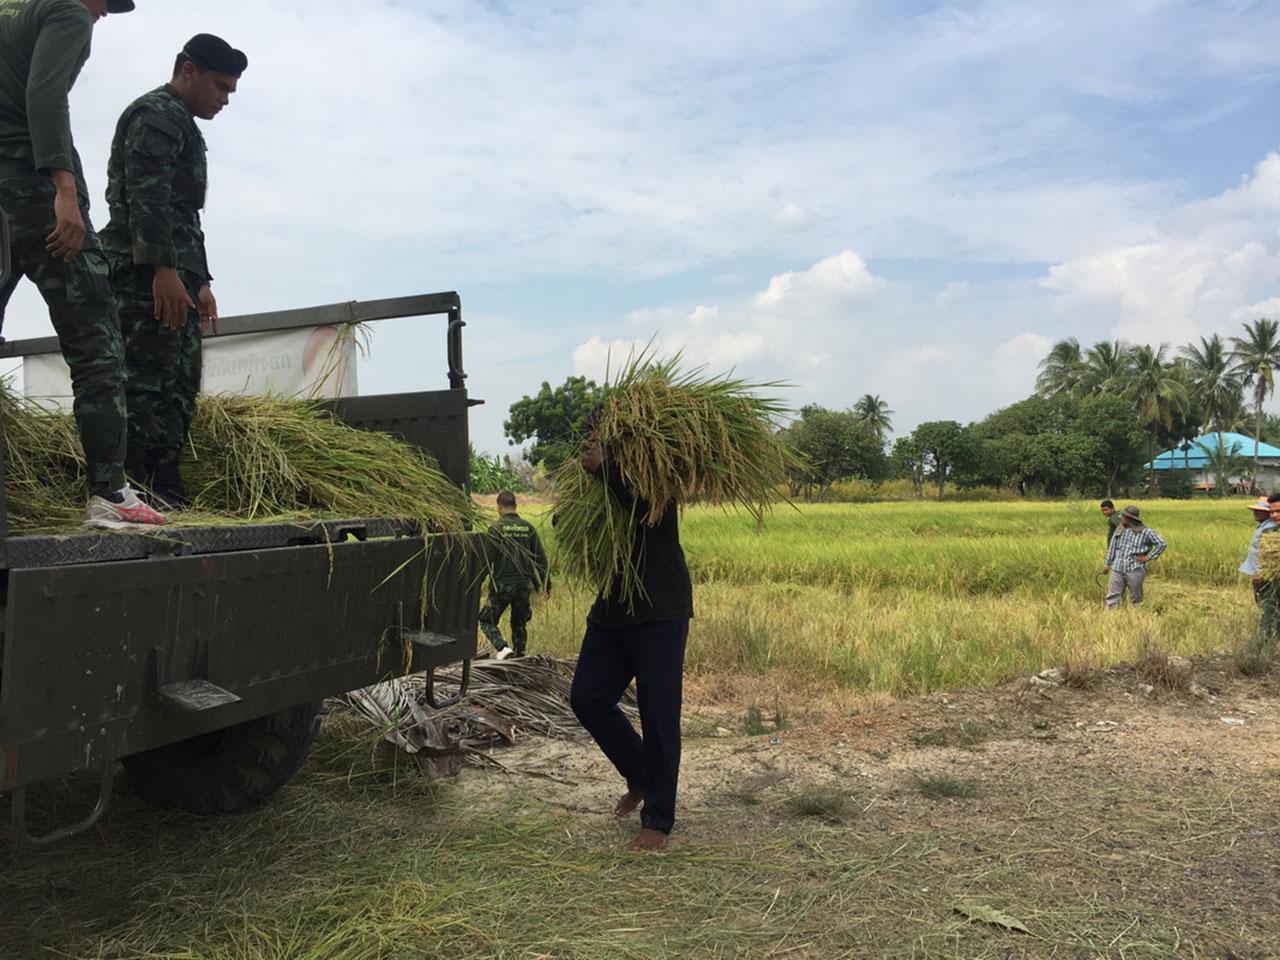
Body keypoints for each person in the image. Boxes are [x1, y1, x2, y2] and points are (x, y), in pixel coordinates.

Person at [0, 0, 166, 529]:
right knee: (97, 343)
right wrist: (65, 191)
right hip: (35, 193)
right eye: (108, 6)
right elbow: (45, 95)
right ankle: (109, 492)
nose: (105, 15)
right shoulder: (69, 11)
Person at [101, 33, 246, 508]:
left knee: (179, 383)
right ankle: (133, 486)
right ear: (188, 71)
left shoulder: (183, 122)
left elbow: (184, 214)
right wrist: (162, 270)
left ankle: (163, 483)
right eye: (220, 87)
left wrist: (199, 281)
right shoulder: (157, 115)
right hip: (144, 275)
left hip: (177, 275)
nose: (225, 100)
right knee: (146, 380)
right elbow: (147, 198)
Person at [569, 429, 694, 852]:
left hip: (659, 611)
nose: (592, 446)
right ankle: (641, 775)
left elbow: (647, 511)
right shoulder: (597, 483)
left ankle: (658, 819)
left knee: (658, 713)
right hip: (612, 608)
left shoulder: (656, 476)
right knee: (587, 697)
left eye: (601, 440)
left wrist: (606, 470)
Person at [479, 490, 549, 660]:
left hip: (503, 584)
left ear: (499, 507)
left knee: (486, 620)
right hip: (524, 585)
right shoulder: (528, 528)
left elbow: (486, 561)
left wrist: (477, 582)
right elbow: (541, 559)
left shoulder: (496, 529)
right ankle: (520, 656)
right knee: (519, 623)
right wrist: (546, 585)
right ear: (515, 506)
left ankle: (502, 648)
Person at [1103, 505, 1166, 609]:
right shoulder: (1120, 529)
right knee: (1113, 595)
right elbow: (1113, 547)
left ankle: (1135, 616)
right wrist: (1107, 563)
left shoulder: (1145, 532)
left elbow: (1162, 544)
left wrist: (1148, 557)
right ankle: (1110, 615)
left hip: (1135, 569)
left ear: (1129, 518)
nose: (1121, 518)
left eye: (1123, 516)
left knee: (1136, 598)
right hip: (1117, 568)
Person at [1239, 497, 1277, 602]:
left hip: (1263, 574)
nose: (1255, 513)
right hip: (1259, 571)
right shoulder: (1263, 526)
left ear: (1268, 513)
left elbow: (1268, 555)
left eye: (1260, 511)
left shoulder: (1269, 529)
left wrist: (1260, 573)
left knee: (1266, 601)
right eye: (1255, 510)